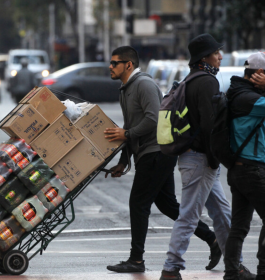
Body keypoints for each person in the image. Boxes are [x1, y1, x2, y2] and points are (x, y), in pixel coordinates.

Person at [104, 46, 220, 273]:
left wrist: (127, 135)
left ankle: (136, 260)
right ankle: (213, 239)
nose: (110, 66)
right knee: (167, 205)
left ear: (128, 65)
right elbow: (130, 126)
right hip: (149, 153)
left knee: (138, 203)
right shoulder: (125, 89)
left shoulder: (143, 84)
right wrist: (123, 159)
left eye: (114, 63)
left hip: (157, 152)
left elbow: (153, 118)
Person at [159, 33, 254, 280]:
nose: (220, 56)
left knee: (222, 214)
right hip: (201, 159)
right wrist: (217, 158)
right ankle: (171, 268)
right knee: (189, 216)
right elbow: (211, 125)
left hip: (197, 158)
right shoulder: (206, 82)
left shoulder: (191, 79)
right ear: (204, 58)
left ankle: (235, 266)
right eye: (215, 53)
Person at [223, 52, 265, 280]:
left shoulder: (240, 94)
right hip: (252, 170)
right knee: (240, 225)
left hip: (241, 169)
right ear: (259, 74)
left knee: (239, 226)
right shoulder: (250, 99)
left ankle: (231, 272)